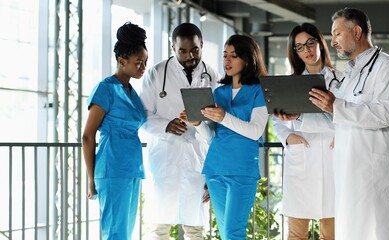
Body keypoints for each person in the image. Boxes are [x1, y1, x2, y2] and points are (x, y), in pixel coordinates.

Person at [307, 7, 389, 239]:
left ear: (357, 31)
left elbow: (382, 114)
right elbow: (341, 119)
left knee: (378, 232)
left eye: (337, 34)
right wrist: (297, 116)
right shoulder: (350, 74)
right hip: (348, 170)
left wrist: (336, 106)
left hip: (374, 172)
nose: (333, 41)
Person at [140, 22, 221, 240]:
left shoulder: (211, 76)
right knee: (159, 229)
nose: (190, 56)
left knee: (194, 229)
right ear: (173, 48)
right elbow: (142, 116)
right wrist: (165, 126)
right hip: (165, 159)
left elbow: (217, 126)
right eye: (183, 51)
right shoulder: (157, 73)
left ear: (201, 45)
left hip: (197, 159)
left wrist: (200, 125)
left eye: (195, 49)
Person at [272, 22, 341, 240]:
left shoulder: (342, 80)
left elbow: (346, 118)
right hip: (301, 159)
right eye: (300, 47)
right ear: (295, 53)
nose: (307, 50)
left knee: (331, 234)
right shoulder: (290, 83)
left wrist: (302, 118)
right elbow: (277, 120)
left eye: (310, 43)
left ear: (320, 43)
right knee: (296, 235)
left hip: (333, 158)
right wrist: (287, 136)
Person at [82, 22, 147, 240]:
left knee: (125, 233)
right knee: (115, 233)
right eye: (138, 62)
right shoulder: (106, 89)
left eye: (145, 62)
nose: (143, 67)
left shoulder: (131, 92)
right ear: (122, 61)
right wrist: (91, 178)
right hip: (112, 168)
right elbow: (87, 136)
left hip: (132, 167)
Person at [199, 34, 269, 240]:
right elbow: (212, 137)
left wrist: (224, 116)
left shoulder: (259, 91)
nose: (227, 61)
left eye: (234, 56)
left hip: (242, 170)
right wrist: (197, 125)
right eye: (225, 55)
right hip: (215, 169)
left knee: (233, 233)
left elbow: (255, 131)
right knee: (225, 234)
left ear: (248, 59)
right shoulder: (219, 93)